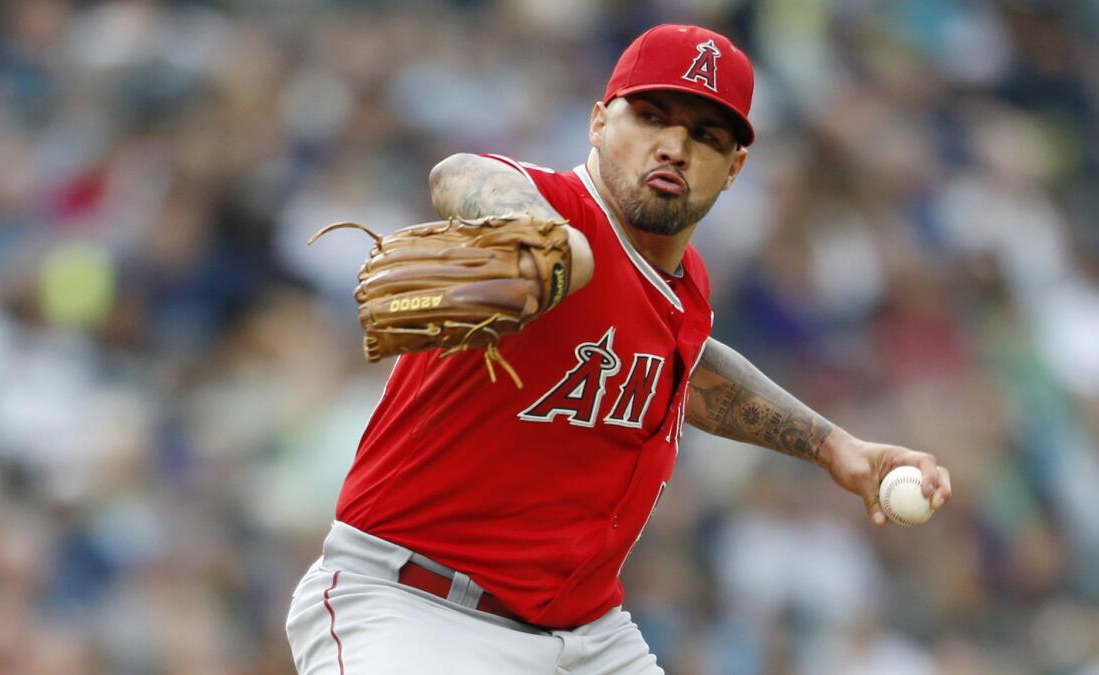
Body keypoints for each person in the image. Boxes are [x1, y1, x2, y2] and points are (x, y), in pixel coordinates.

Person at [286, 23, 952, 675]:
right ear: (599, 122)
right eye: (652, 116)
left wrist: (838, 447)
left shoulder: (686, 285)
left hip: (588, 636)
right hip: (416, 608)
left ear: (733, 168)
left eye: (705, 135)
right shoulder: (551, 205)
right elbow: (460, 172)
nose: (673, 146)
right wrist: (537, 235)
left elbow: (686, 363)